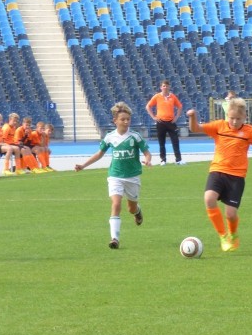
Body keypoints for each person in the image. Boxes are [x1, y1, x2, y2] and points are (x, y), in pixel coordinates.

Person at [186, 98, 252, 252]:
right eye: (231, 118)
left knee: (231, 214)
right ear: (227, 116)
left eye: (238, 119)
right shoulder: (219, 126)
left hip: (236, 177)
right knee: (209, 198)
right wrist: (192, 117)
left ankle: (233, 234)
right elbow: (195, 128)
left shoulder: (249, 131)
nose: (234, 121)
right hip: (217, 171)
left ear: (244, 117)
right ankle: (223, 235)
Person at [75, 102, 151, 249]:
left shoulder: (135, 136)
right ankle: (114, 238)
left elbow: (147, 152)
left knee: (131, 208)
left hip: (132, 177)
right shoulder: (110, 137)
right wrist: (83, 165)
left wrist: (147, 160)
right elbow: (99, 154)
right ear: (115, 120)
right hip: (115, 175)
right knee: (116, 204)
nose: (126, 122)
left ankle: (137, 212)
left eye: (128, 119)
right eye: (123, 119)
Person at [146, 79, 185, 165]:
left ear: (169, 87)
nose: (165, 87)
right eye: (164, 86)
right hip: (161, 122)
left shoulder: (172, 96)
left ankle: (178, 159)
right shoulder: (157, 96)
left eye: (167, 86)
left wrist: (176, 117)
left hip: (171, 122)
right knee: (161, 142)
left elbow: (180, 106)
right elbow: (148, 106)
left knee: (175, 140)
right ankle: (163, 160)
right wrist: (154, 117)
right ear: (161, 87)